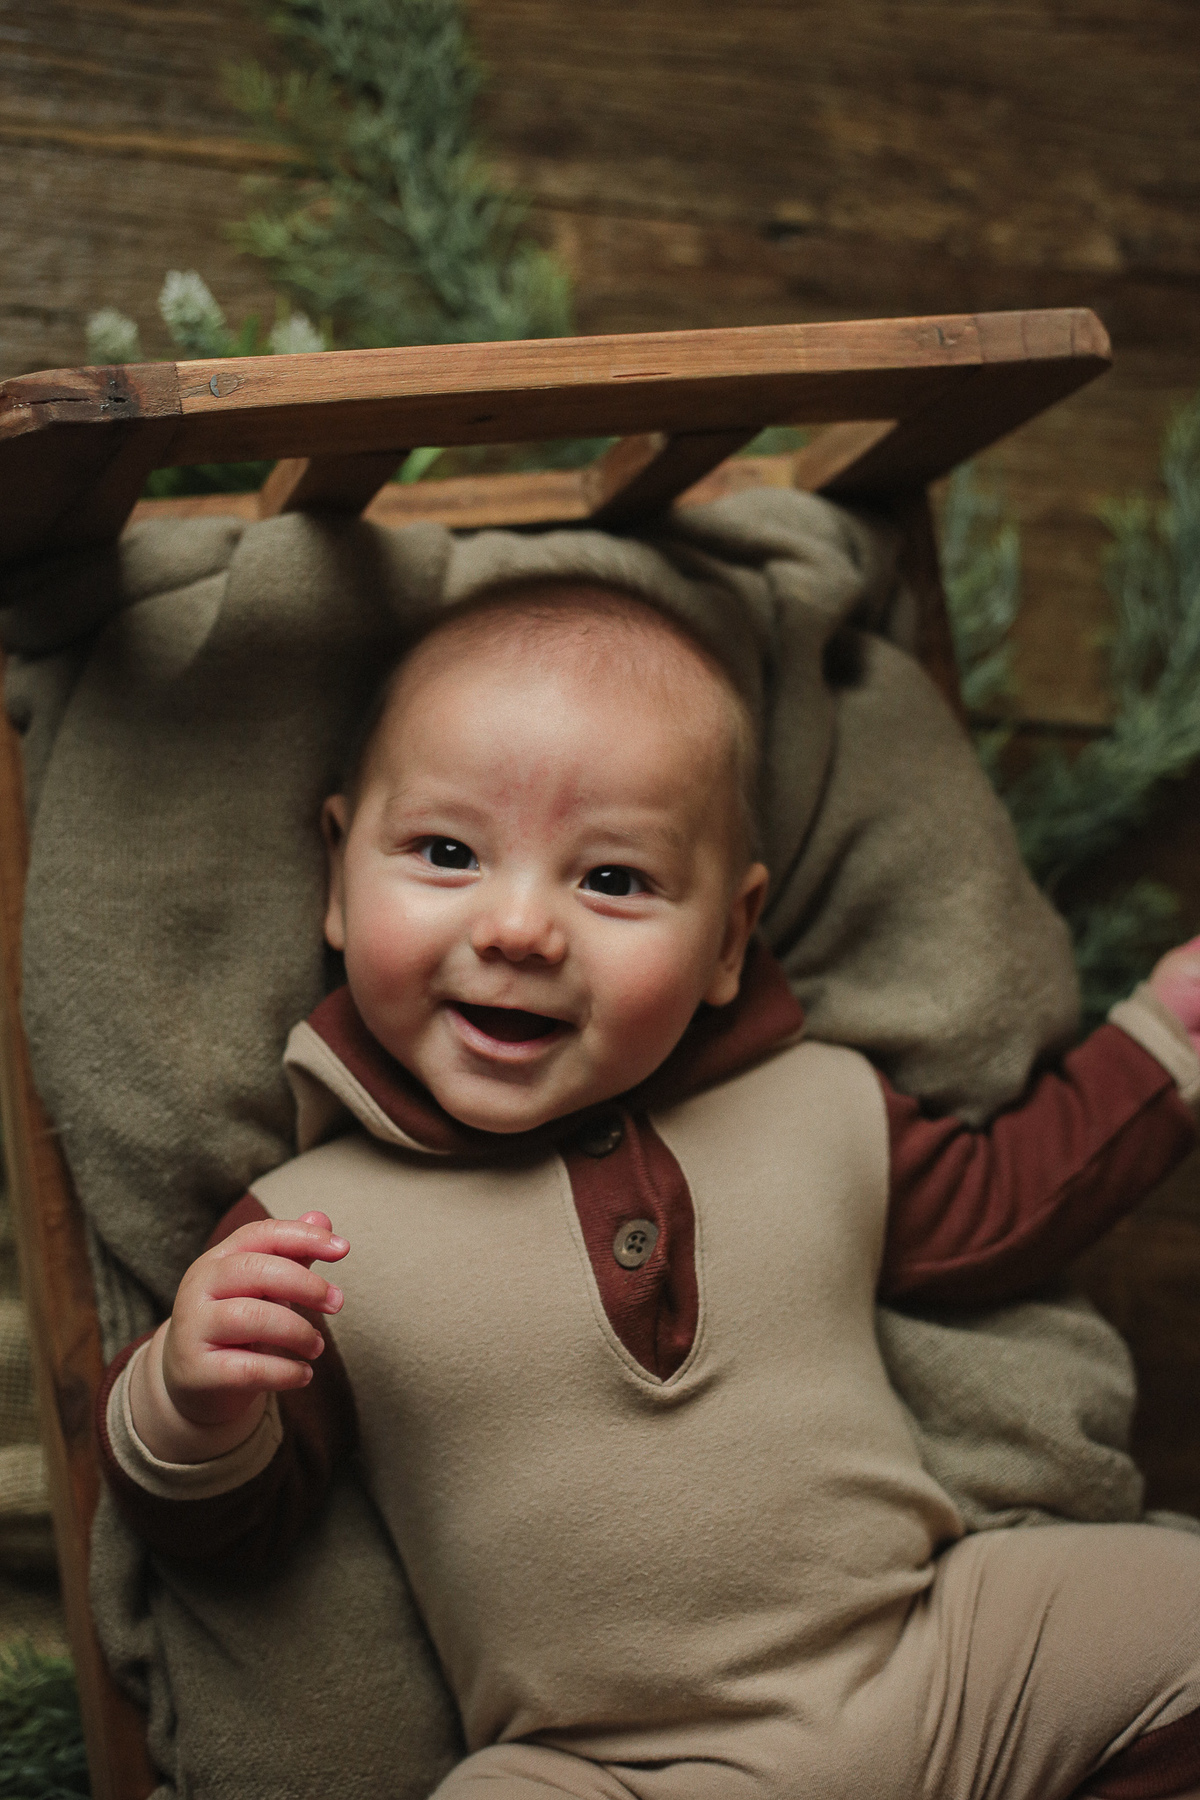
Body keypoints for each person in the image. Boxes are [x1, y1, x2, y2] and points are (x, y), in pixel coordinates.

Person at [99, 582, 1200, 1800]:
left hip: (938, 1667)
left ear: (729, 938)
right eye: (448, 854)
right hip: (612, 1766)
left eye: (614, 879)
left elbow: (1007, 1204)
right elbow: (233, 1529)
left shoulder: (819, 1104)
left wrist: (1166, 1039)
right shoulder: (308, 1229)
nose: (520, 928)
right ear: (337, 879)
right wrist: (188, 1401)